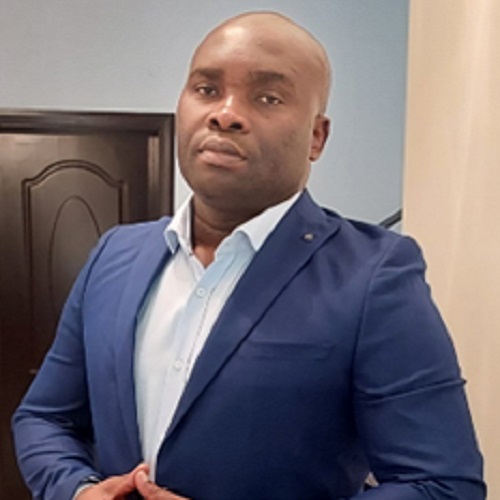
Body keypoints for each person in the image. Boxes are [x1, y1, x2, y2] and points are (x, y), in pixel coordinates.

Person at [12, 11, 485, 500]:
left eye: (267, 97)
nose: (226, 114)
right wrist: (77, 490)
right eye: (207, 89)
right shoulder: (115, 255)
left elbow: (443, 486)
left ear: (317, 137)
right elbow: (45, 417)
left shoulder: (373, 275)